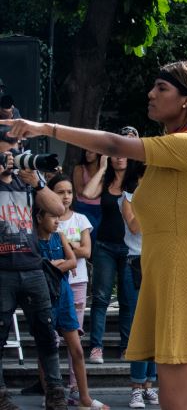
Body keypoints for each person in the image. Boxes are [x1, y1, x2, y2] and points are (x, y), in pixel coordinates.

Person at [0, 60, 187, 410]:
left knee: (175, 399)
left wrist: (45, 127)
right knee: (173, 397)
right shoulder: (178, 146)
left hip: (178, 274)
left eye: (162, 88)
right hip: (162, 271)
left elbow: (113, 144)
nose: (151, 93)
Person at [0, 131, 68, 409]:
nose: (15, 154)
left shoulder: (26, 180)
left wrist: (38, 183)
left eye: (18, 148)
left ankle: (55, 391)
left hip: (31, 266)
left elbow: (57, 209)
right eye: (10, 148)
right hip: (2, 271)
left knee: (45, 332)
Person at [36, 206, 109, 410]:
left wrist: (50, 265)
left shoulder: (59, 236)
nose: (57, 221)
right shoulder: (32, 240)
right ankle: (50, 393)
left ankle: (84, 397)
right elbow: (34, 267)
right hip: (43, 298)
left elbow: (73, 262)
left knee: (76, 348)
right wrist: (56, 265)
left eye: (59, 217)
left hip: (65, 296)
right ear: (39, 217)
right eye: (52, 216)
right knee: (47, 348)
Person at [84, 146, 135, 364]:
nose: (119, 157)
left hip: (129, 249)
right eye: (115, 154)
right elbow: (87, 193)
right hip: (104, 245)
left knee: (127, 299)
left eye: (123, 153)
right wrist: (102, 166)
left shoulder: (137, 182)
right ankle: (96, 347)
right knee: (100, 298)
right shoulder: (105, 181)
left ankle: (126, 347)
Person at [117, 160, 159, 409]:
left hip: (159, 261)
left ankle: (149, 385)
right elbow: (134, 226)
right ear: (140, 177)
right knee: (139, 325)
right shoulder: (129, 198)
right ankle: (135, 386)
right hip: (136, 262)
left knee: (156, 326)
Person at [48, 174, 93, 401]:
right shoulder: (45, 220)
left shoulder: (81, 219)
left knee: (74, 337)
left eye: (68, 192)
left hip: (77, 283)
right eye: (59, 192)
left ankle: (76, 386)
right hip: (51, 283)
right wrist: (73, 248)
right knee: (50, 338)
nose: (65, 197)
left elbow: (87, 252)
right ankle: (51, 388)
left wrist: (65, 247)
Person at [72, 149, 103, 242]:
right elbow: (80, 190)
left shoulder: (104, 169)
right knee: (92, 232)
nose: (87, 154)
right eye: (86, 151)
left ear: (98, 153)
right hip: (83, 207)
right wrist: (95, 192)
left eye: (91, 151)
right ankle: (88, 254)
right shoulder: (80, 168)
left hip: (101, 207)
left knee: (101, 234)